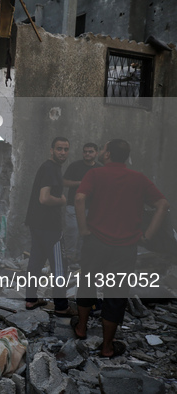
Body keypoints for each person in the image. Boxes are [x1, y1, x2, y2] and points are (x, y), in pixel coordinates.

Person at [73, 139, 169, 357]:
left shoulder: (95, 174)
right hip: (125, 247)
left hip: (96, 241)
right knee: (115, 293)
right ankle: (107, 347)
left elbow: (79, 198)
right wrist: (148, 236)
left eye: (103, 148)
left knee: (87, 283)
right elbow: (162, 204)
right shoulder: (139, 179)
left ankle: (81, 328)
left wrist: (84, 229)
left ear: (107, 154)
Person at [24, 137, 73, 317]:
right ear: (51, 150)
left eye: (66, 149)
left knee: (35, 262)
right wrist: (62, 200)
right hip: (50, 227)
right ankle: (61, 306)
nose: (63, 152)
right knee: (59, 266)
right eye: (59, 149)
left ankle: (31, 299)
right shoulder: (50, 169)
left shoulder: (50, 168)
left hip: (37, 224)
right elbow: (44, 198)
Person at [63, 142, 102, 263]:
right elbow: (64, 182)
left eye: (90, 152)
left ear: (96, 153)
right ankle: (68, 257)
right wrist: (81, 183)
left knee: (84, 235)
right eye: (85, 151)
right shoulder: (75, 166)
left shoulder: (99, 169)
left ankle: (80, 259)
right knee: (72, 232)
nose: (87, 154)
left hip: (91, 208)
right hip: (72, 206)